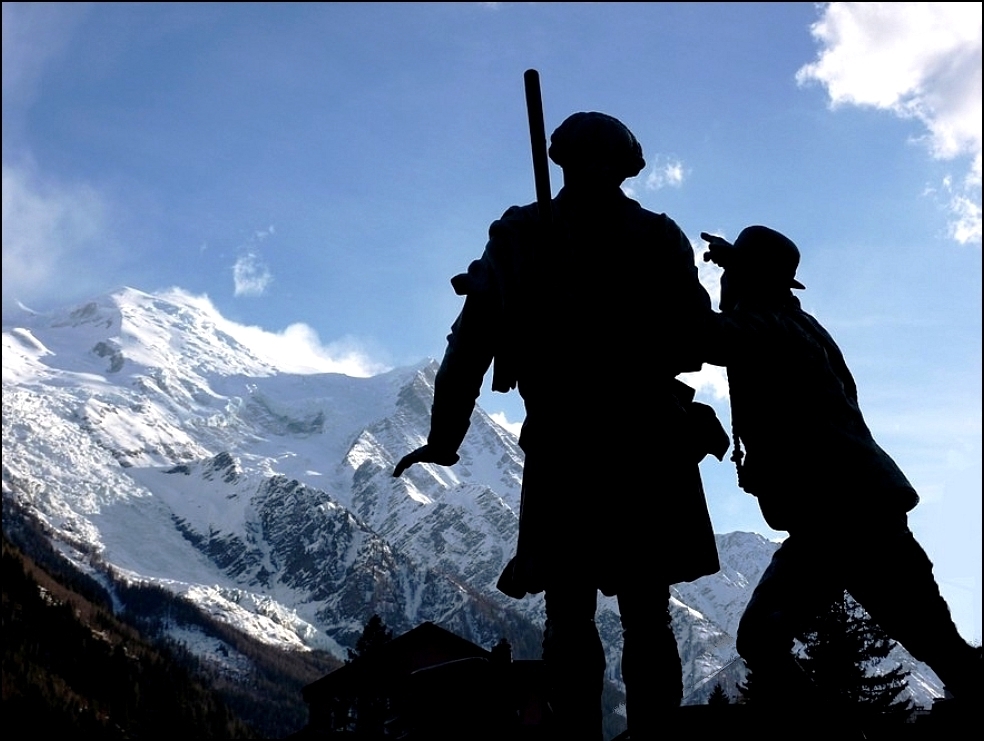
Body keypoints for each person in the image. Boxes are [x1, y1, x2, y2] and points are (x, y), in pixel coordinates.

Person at [393, 112, 727, 740]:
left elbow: (471, 342)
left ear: (559, 158)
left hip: (569, 441)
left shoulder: (520, 233)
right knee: (641, 612)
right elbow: (698, 339)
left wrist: (446, 436)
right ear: (628, 163)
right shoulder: (655, 236)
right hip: (646, 440)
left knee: (573, 614)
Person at [699, 225, 980, 712]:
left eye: (732, 275)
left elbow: (697, 337)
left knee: (937, 645)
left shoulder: (773, 329)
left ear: (750, 280)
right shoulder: (793, 325)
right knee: (766, 639)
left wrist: (676, 278)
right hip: (833, 519)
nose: (723, 285)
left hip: (851, 517)